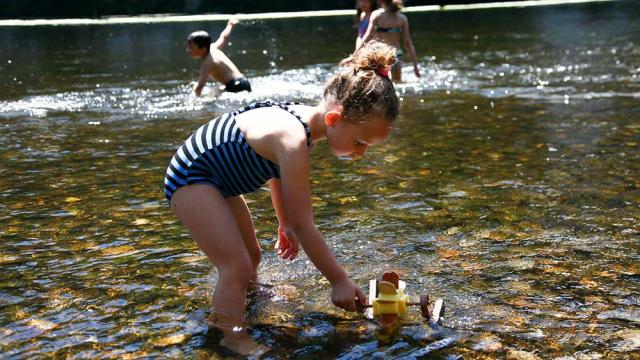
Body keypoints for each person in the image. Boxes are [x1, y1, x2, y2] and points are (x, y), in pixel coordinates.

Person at [164, 40, 399, 355]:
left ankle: (248, 301)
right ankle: (233, 339)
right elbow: (307, 225)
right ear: (334, 119)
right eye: (359, 142)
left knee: (253, 258)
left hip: (218, 181)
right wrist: (339, 280)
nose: (361, 153)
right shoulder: (293, 140)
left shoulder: (302, 124)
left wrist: (284, 222)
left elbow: (276, 173)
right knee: (235, 267)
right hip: (192, 176)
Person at [343, 0, 420, 82]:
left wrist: (354, 55)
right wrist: (415, 67)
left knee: (380, 83)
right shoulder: (402, 18)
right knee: (396, 83)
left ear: (381, 1)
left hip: (381, 55)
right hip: (396, 54)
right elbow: (408, 44)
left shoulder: (377, 15)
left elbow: (367, 36)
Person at [186, 19, 251, 97]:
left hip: (236, 86)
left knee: (213, 94)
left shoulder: (207, 63)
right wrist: (230, 25)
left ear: (203, 48)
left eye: (191, 47)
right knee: (214, 92)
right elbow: (224, 37)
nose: (188, 50)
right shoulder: (213, 47)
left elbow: (199, 87)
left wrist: (192, 99)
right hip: (243, 81)